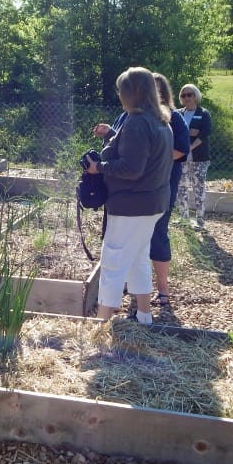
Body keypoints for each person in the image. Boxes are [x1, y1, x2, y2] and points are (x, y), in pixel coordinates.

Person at [85, 67, 173, 323]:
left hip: (131, 204)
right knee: (138, 258)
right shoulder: (160, 119)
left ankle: (102, 322)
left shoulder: (136, 122)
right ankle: (144, 316)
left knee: (112, 261)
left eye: (121, 89)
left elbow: (131, 169)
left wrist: (97, 168)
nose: (119, 94)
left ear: (133, 91)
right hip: (153, 203)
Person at [150, 73, 191, 306]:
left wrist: (152, 160)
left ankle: (163, 290)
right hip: (143, 188)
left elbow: (181, 151)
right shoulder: (140, 117)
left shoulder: (174, 118)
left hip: (164, 184)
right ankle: (139, 286)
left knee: (158, 232)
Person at [176, 83, 212, 228]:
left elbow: (205, 132)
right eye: (183, 95)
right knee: (181, 187)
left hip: (200, 158)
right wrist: (190, 133)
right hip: (181, 158)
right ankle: (183, 217)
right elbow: (177, 132)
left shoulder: (203, 113)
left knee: (199, 187)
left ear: (196, 96)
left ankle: (199, 219)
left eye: (189, 95)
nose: (186, 98)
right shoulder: (178, 113)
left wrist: (189, 146)